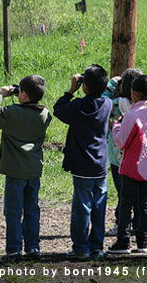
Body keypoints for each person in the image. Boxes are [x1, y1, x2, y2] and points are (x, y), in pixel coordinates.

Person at [0, 75, 52, 262]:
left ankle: (13, 251)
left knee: (13, 211)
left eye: (20, 91)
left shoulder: (12, 113)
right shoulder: (45, 115)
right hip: (34, 171)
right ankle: (33, 248)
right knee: (32, 210)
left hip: (14, 171)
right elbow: (29, 110)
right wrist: (19, 93)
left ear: (24, 94)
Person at [53, 64, 112, 261]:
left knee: (82, 208)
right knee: (99, 207)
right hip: (100, 165)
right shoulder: (107, 105)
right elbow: (106, 92)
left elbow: (58, 110)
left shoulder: (77, 106)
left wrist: (71, 90)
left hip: (81, 165)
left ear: (84, 87)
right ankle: (97, 247)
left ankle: (81, 247)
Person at [107, 75, 147, 254]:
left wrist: (116, 126)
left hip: (133, 166)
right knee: (145, 203)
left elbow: (120, 142)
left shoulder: (132, 115)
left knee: (126, 203)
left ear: (135, 93)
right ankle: (143, 242)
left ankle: (123, 241)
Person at [103, 68, 143, 236]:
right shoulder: (145, 106)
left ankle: (122, 224)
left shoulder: (116, 104)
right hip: (139, 156)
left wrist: (111, 84)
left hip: (117, 156)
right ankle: (138, 224)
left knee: (122, 194)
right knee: (139, 195)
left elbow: (101, 102)